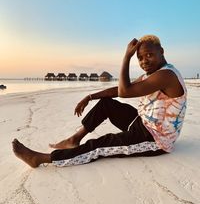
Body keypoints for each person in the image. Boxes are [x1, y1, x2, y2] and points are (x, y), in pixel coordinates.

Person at [12, 35, 187, 168]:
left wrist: (126, 57)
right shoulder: (154, 74)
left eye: (149, 54)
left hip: (155, 139)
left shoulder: (166, 75)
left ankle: (43, 159)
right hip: (143, 123)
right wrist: (90, 97)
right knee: (106, 104)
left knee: (102, 144)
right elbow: (119, 91)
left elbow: (125, 92)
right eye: (139, 58)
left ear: (161, 51)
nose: (144, 61)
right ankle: (74, 138)